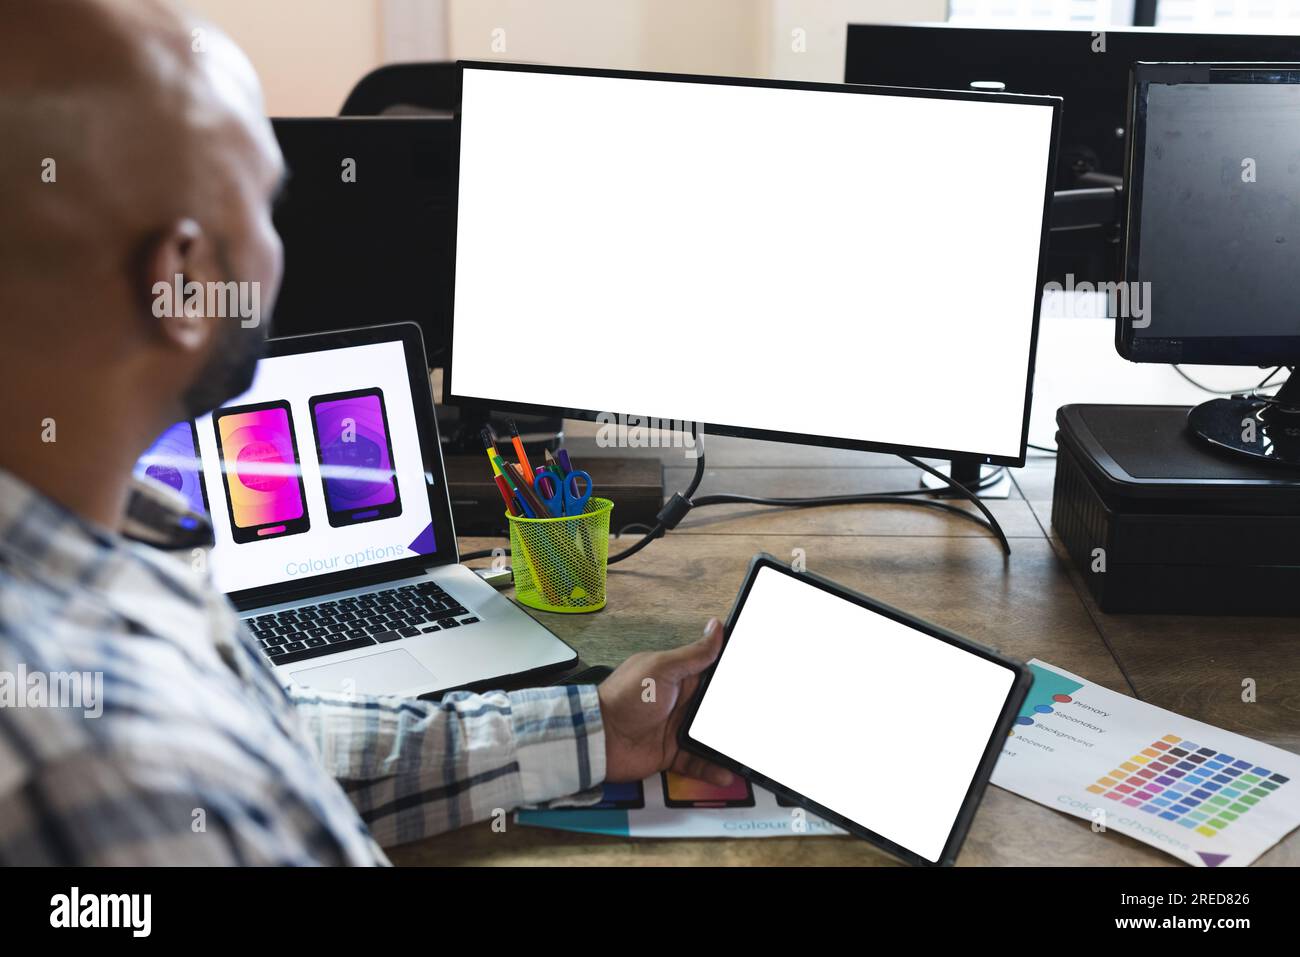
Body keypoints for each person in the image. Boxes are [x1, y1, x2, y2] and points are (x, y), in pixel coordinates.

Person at [0, 0, 730, 865]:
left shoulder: (103, 557)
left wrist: (594, 726)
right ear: (184, 278)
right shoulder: (112, 776)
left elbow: (266, 739)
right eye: (268, 206)